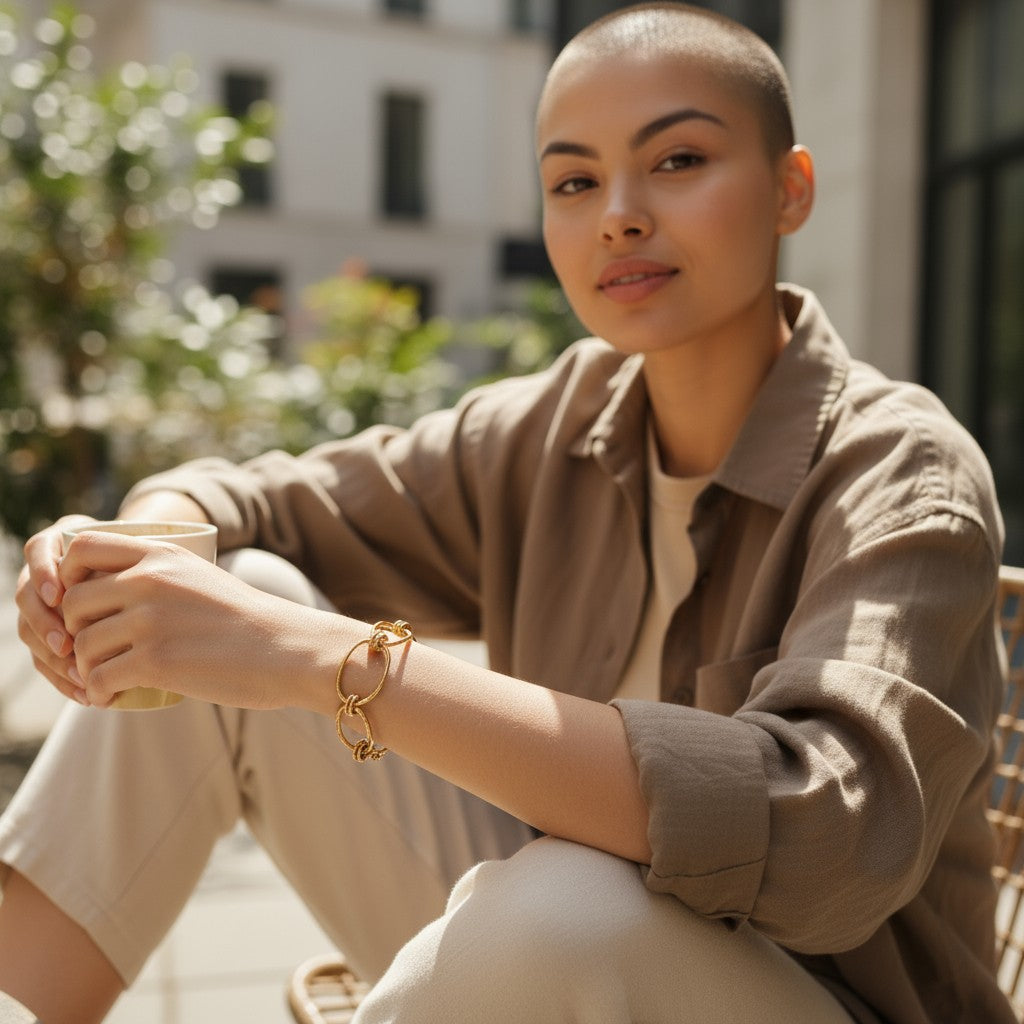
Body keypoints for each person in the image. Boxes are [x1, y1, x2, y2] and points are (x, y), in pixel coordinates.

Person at [0, 3, 1014, 1022]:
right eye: (574, 181)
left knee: (561, 900)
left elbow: (826, 835)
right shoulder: (551, 427)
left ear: (789, 187)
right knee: (243, 589)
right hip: (546, 966)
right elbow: (262, 505)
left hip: (812, 1000)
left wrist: (331, 661)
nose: (617, 212)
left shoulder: (902, 472)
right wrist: (122, 554)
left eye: (677, 161)